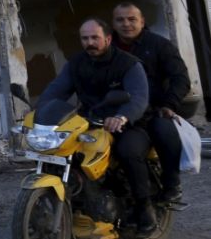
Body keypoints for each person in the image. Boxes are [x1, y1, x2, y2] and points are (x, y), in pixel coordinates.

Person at [36, 18, 156, 235]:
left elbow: (139, 98)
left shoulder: (128, 64)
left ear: (108, 39)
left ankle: (144, 209)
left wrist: (122, 117)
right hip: (90, 121)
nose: (89, 42)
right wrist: (39, 110)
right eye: (85, 38)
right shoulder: (76, 63)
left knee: (128, 152)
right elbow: (56, 90)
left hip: (128, 123)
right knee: (64, 152)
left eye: (94, 38)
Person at [112, 1, 191, 205]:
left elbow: (180, 78)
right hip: (121, 113)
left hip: (155, 110)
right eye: (120, 20)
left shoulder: (159, 45)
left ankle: (172, 184)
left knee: (164, 131)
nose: (126, 24)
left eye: (132, 19)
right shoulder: (108, 48)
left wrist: (169, 104)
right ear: (113, 23)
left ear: (142, 21)